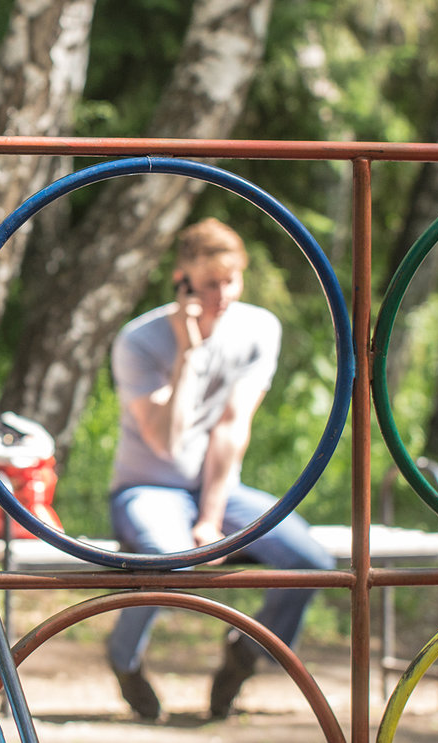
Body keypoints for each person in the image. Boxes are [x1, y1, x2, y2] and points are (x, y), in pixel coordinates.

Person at [105, 217, 334, 720]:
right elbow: (164, 442)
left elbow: (232, 428)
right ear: (182, 280)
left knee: (313, 562)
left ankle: (244, 654)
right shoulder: (138, 341)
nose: (223, 294)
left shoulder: (258, 328)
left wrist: (210, 521)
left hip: (220, 486)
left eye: (232, 280)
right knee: (170, 559)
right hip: (149, 487)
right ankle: (123, 657)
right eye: (210, 284)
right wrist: (189, 354)